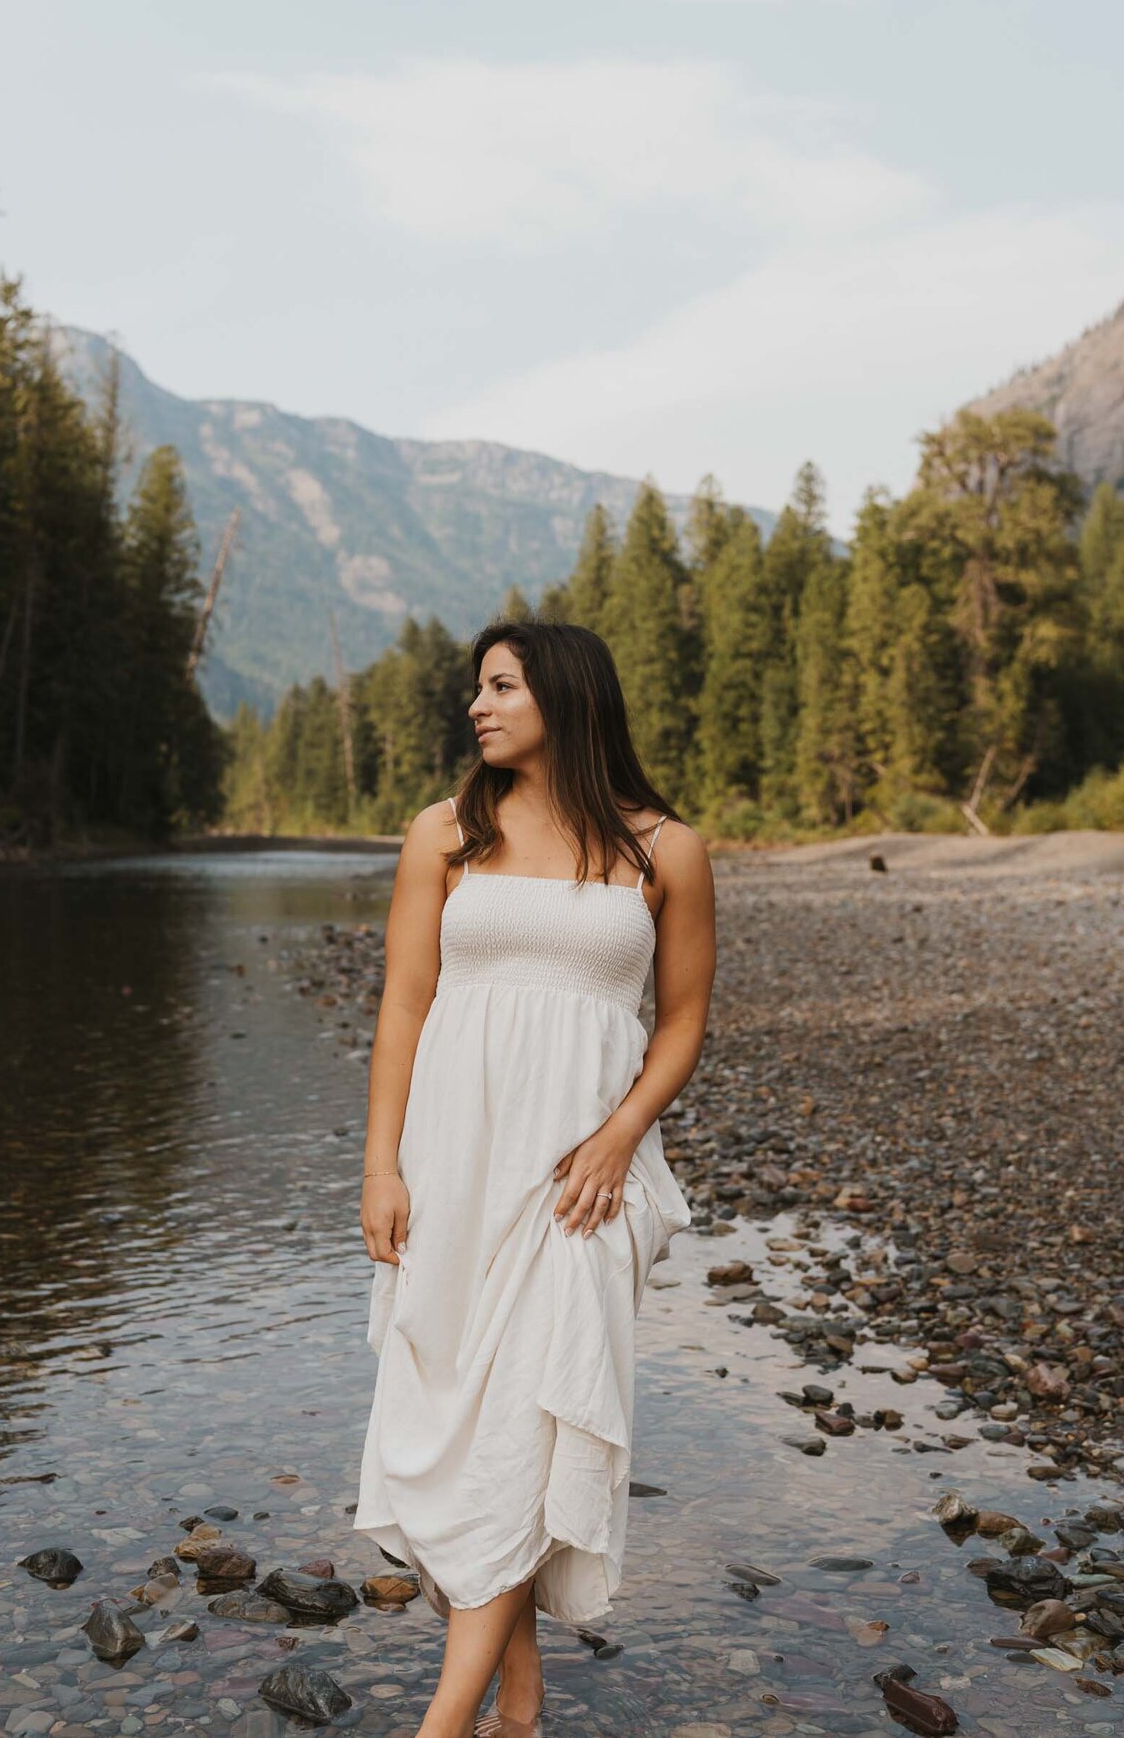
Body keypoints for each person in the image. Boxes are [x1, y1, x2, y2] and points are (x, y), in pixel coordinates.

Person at [353, 618, 717, 1738]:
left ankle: (444, 1721)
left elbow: (686, 1016)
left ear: (565, 693)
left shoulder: (667, 850)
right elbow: (405, 1004)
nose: (478, 704)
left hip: (578, 1187)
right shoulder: (444, 834)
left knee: (531, 1423)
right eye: (477, 688)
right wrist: (379, 1165)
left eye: (501, 685)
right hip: (453, 1170)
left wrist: (621, 1134)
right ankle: (522, 1701)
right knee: (465, 1429)